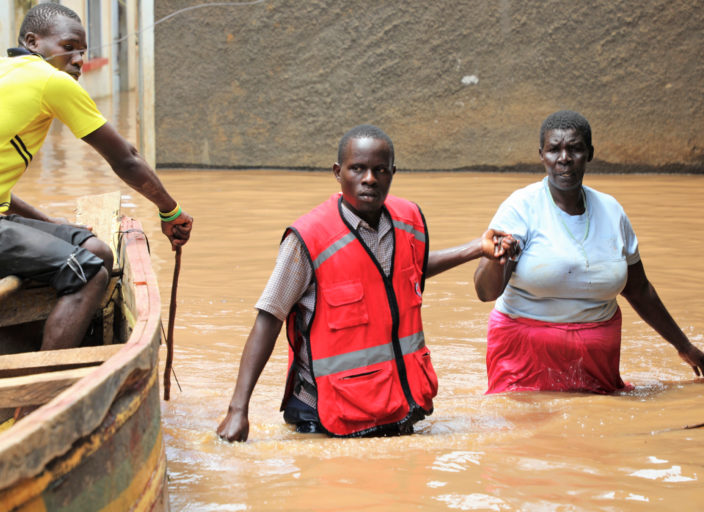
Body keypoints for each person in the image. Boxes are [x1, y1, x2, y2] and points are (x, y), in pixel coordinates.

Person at [217, 124, 515, 441]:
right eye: (358, 168)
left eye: (380, 170)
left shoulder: (408, 219)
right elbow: (269, 317)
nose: (369, 178)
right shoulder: (308, 239)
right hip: (324, 417)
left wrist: (475, 249)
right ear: (337, 172)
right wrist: (238, 411)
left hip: (395, 408)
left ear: (392, 173)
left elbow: (408, 270)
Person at [0, 3, 192, 352]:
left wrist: (45, 221)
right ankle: (40, 390)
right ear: (33, 42)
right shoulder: (51, 81)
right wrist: (170, 211)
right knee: (88, 272)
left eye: (82, 52)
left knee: (96, 251)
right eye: (68, 47)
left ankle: (48, 346)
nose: (77, 60)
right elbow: (125, 159)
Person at [473, 110, 704, 394]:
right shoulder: (520, 208)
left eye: (575, 148)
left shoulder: (612, 211)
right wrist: (496, 260)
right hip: (523, 355)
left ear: (590, 153)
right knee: (526, 433)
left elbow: (639, 290)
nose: (564, 158)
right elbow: (485, 293)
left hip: (597, 359)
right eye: (554, 149)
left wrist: (685, 347)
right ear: (541, 155)